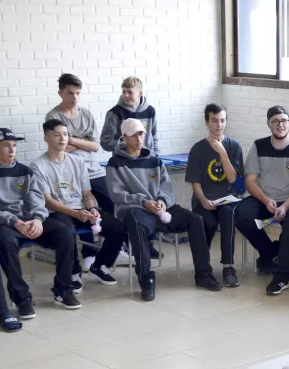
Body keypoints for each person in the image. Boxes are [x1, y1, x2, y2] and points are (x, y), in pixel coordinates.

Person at [106, 119, 222, 301]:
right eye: (133, 135)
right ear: (124, 138)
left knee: (196, 219)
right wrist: (144, 202)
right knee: (137, 225)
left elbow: (166, 187)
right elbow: (117, 193)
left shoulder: (154, 161)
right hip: (135, 209)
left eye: (141, 133)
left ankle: (203, 273)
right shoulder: (115, 163)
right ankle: (146, 279)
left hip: (160, 208)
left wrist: (162, 201)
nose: (138, 138)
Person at [44, 74, 130, 269]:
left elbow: (95, 147)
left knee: (109, 203)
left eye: (78, 93)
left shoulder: (86, 114)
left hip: (93, 169)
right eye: (70, 93)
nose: (74, 97)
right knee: (81, 205)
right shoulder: (54, 116)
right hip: (68, 171)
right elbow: (59, 148)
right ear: (60, 93)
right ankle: (89, 252)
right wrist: (82, 143)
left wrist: (72, 140)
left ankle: (113, 249)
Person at [30, 120, 126, 291]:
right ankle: (74, 273)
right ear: (46, 137)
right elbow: (48, 201)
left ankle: (100, 265)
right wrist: (75, 214)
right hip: (56, 212)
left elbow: (87, 194)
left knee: (118, 227)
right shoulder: (38, 166)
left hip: (81, 209)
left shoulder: (77, 162)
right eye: (57, 134)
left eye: (65, 134)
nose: (63, 138)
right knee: (66, 232)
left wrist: (93, 209)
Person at [0, 128, 81, 314]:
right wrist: (15, 222)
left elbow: (36, 199)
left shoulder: (25, 171)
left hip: (30, 221)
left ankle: (63, 290)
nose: (12, 150)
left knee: (65, 233)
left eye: (14, 145)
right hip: (6, 225)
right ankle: (22, 299)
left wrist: (37, 219)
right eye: (5, 146)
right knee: (5, 242)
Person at [235, 105, 289, 295]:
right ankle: (271, 252)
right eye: (275, 121)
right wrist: (265, 200)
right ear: (268, 124)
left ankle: (282, 276)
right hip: (264, 198)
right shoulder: (258, 146)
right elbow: (250, 180)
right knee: (241, 215)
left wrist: (286, 206)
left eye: (284, 121)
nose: (280, 125)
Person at [100, 76, 161, 259]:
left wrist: (156, 159)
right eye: (123, 91)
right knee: (132, 205)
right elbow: (105, 142)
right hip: (125, 166)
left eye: (130, 92)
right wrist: (123, 145)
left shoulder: (150, 111)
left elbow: (155, 137)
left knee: (151, 202)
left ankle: (148, 242)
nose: (126, 95)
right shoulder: (115, 113)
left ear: (140, 93)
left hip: (147, 164)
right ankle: (130, 242)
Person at [186, 103, 245, 288]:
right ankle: (204, 268)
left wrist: (222, 153)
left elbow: (235, 180)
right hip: (204, 199)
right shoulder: (197, 149)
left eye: (222, 120)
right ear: (206, 122)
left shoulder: (233, 145)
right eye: (214, 121)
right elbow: (195, 183)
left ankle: (228, 267)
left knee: (228, 214)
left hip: (228, 198)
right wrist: (203, 200)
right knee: (208, 222)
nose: (219, 125)